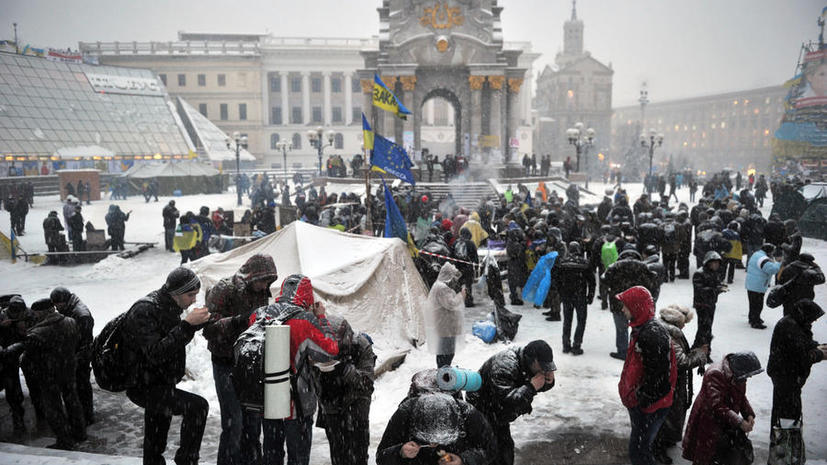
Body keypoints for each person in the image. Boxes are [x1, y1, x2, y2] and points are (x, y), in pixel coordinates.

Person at [234, 274, 339, 465]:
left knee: (272, 454)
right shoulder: (305, 319)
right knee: (298, 457)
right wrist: (321, 317)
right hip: (297, 402)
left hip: (268, 397)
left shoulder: (258, 314)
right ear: (307, 296)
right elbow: (329, 351)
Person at [121, 267, 211, 465]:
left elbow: (171, 342)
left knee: (155, 438)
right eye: (190, 295)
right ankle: (187, 461)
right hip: (143, 385)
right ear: (176, 293)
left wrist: (197, 324)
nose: (194, 300)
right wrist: (187, 325)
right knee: (198, 407)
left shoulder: (168, 307)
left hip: (160, 383)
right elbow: (155, 353)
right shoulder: (145, 310)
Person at [203, 254, 278, 465]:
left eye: (268, 281)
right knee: (233, 422)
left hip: (250, 364)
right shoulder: (224, 289)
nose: (265, 285)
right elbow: (208, 328)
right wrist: (238, 321)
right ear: (252, 275)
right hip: (225, 362)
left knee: (253, 420)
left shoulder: (262, 291)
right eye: (263, 280)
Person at [2, 298, 86, 450]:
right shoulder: (70, 321)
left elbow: (25, 355)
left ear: (43, 312)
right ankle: (80, 432)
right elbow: (76, 342)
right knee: (73, 402)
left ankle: (64, 441)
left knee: (54, 409)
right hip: (68, 370)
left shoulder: (37, 333)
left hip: (49, 375)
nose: (35, 316)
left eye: (37, 313)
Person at [467, 340, 556, 465]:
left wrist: (548, 381)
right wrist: (531, 387)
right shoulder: (504, 365)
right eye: (542, 366)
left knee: (505, 450)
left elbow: (536, 385)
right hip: (483, 408)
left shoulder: (529, 364)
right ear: (533, 360)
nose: (544, 370)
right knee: (489, 450)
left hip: (500, 414)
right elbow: (507, 403)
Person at [615, 286, 677, 465]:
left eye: (625, 305)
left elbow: (659, 380)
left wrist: (640, 399)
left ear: (636, 307)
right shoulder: (642, 328)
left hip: (648, 407)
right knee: (640, 449)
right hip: (643, 405)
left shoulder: (651, 335)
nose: (622, 309)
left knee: (639, 452)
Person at [766, 299, 826, 454]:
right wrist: (819, 354)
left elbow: (803, 343)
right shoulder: (790, 327)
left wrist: (816, 346)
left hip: (786, 375)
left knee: (785, 410)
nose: (814, 321)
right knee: (788, 412)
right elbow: (801, 355)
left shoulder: (794, 323)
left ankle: (784, 441)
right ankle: (784, 445)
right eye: (813, 318)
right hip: (786, 376)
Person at [682, 352, 762, 465]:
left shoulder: (739, 376)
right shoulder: (715, 374)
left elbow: (741, 396)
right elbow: (716, 405)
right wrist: (739, 422)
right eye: (748, 374)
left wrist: (748, 414)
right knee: (705, 456)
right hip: (707, 422)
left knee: (722, 455)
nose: (749, 377)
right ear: (740, 369)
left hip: (725, 420)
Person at [653, 305, 709, 464]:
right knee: (665, 417)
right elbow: (681, 362)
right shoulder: (670, 334)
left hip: (665, 382)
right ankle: (658, 448)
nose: (685, 326)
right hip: (668, 384)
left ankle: (664, 442)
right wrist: (700, 355)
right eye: (685, 322)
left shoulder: (664, 329)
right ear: (678, 321)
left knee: (666, 416)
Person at [316, 317, 376, 465]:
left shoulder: (361, 345)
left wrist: (344, 369)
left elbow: (367, 383)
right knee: (337, 450)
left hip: (358, 399)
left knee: (359, 449)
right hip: (330, 399)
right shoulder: (315, 343)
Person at [376, 392, 496, 465]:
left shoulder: (468, 414)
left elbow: (490, 449)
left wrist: (463, 460)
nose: (434, 444)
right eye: (427, 439)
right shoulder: (405, 414)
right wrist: (400, 452)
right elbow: (381, 457)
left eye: (442, 440)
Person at [49, 287, 96, 426]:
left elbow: (85, 342)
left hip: (80, 355)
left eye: (57, 304)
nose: (56, 308)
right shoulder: (72, 309)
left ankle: (87, 416)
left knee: (82, 386)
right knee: (80, 386)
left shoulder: (81, 315)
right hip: (76, 354)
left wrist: (76, 359)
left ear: (63, 301)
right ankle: (85, 414)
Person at [602, 249, 656, 360]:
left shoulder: (615, 267)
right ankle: (638, 351)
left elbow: (604, 281)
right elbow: (652, 283)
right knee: (639, 327)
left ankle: (623, 351)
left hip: (618, 303)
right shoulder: (643, 267)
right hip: (638, 304)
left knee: (621, 328)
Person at [557, 242, 595, 355]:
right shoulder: (584, 263)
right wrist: (590, 296)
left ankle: (566, 345)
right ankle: (576, 345)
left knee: (567, 321)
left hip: (567, 296)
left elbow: (556, 279)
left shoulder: (563, 262)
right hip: (580, 296)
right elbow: (592, 282)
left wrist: (561, 293)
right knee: (581, 321)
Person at [0, 296, 30, 436]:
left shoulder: (29, 314)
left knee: (33, 386)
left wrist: (25, 331)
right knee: (13, 391)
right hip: (7, 359)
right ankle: (18, 421)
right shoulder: (2, 317)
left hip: (24, 355)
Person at [426, 262, 465, 368]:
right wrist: (461, 296)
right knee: (446, 352)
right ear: (449, 276)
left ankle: (443, 371)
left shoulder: (439, 286)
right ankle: (443, 373)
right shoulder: (442, 288)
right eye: (453, 277)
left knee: (444, 351)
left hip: (444, 325)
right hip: (446, 326)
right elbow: (451, 304)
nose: (455, 280)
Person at [691, 251, 726, 354]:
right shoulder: (699, 273)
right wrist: (715, 289)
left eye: (717, 263)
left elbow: (714, 286)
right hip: (702, 305)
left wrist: (719, 287)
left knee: (705, 328)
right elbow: (700, 290)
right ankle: (704, 351)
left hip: (710, 304)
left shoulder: (714, 273)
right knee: (705, 329)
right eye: (713, 262)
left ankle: (698, 347)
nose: (716, 265)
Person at [744, 243, 781, 329]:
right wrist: (779, 263)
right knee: (758, 304)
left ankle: (752, 318)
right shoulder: (763, 258)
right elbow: (772, 269)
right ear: (769, 251)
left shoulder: (757, 254)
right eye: (772, 252)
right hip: (757, 285)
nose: (773, 254)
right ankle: (755, 322)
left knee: (753, 303)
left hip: (752, 284)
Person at [776, 252, 825, 317]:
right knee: (802, 321)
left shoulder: (789, 267)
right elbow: (822, 279)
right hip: (805, 300)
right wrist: (817, 268)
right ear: (810, 262)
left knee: (788, 319)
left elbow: (780, 280)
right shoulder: (811, 272)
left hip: (788, 300)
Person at [453, 228, 478, 307]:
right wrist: (476, 265)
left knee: (458, 284)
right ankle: (468, 300)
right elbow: (475, 256)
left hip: (458, 267)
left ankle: (457, 301)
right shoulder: (471, 243)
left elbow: (451, 255)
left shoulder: (455, 242)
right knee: (468, 284)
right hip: (468, 267)